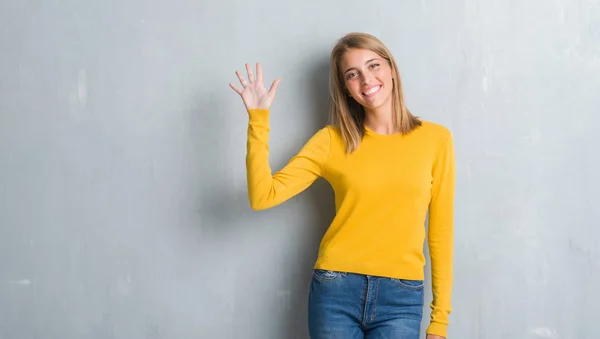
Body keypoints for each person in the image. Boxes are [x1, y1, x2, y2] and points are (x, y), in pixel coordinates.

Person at [229, 32, 455, 339]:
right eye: (353, 74)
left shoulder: (436, 140)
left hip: (401, 298)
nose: (366, 80)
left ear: (391, 69)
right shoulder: (331, 141)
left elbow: (440, 232)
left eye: (373, 65)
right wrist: (259, 119)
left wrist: (439, 321)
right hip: (336, 289)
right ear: (346, 88)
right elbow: (262, 196)